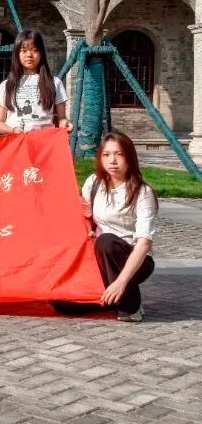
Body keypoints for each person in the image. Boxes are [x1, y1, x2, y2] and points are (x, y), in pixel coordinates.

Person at [80, 132, 157, 322]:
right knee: (63, 304)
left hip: (135, 259)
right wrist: (88, 231)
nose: (112, 161)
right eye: (106, 155)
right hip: (100, 257)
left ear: (129, 157)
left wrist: (121, 282)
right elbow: (84, 215)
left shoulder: (142, 192)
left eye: (119, 154)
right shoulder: (93, 183)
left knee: (106, 241)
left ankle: (130, 305)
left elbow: (144, 243)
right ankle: (111, 299)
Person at [0, 29, 71, 134]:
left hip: (44, 141)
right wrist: (13, 130)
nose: (29, 55)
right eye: (24, 50)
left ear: (41, 53)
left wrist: (65, 124)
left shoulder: (55, 82)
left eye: (34, 50)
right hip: (16, 141)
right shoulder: (6, 85)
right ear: (17, 54)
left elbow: (62, 119)